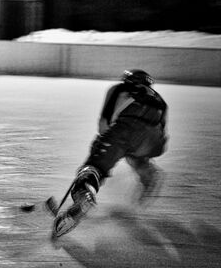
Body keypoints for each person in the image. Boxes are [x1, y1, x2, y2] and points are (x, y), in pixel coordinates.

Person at [53, 69, 168, 237]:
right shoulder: (160, 101)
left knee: (94, 168)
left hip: (125, 130)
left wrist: (100, 145)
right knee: (136, 155)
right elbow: (160, 135)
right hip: (153, 141)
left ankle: (84, 196)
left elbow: (104, 124)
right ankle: (148, 172)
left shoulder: (119, 89)